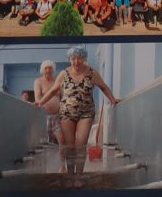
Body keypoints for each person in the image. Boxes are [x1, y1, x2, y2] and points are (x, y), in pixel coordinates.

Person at [39, 46, 119, 174]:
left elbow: (103, 87)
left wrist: (113, 99)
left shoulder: (92, 73)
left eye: (79, 58)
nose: (76, 62)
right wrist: (40, 102)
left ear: (84, 59)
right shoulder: (64, 74)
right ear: (70, 59)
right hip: (66, 114)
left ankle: (79, 175)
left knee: (80, 145)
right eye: (73, 59)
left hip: (86, 114)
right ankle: (70, 174)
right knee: (70, 146)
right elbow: (53, 90)